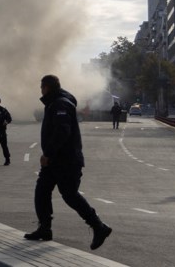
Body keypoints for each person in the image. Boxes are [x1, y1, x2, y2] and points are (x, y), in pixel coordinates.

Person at [24, 74, 112, 251]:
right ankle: (45, 228)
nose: (40, 91)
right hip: (56, 161)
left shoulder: (60, 104)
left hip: (66, 161)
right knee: (41, 192)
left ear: (47, 87)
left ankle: (99, 227)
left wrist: (47, 153)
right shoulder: (55, 102)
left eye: (42, 88)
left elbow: (63, 131)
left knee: (70, 195)